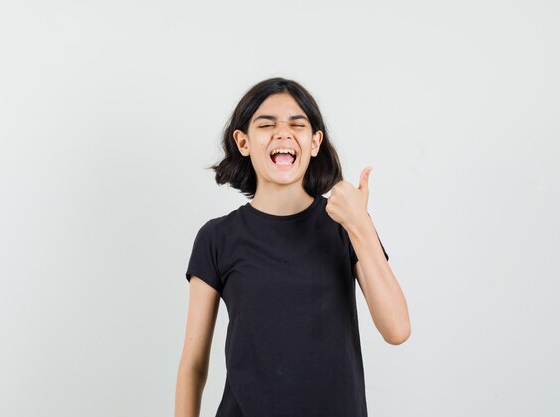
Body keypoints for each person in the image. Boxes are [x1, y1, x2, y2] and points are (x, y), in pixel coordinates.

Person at [175, 77, 410, 417]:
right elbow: (193, 365)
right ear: (243, 141)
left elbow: (398, 329)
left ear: (315, 142)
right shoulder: (217, 238)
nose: (283, 133)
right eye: (266, 124)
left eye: (297, 125)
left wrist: (359, 224)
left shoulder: (347, 226)